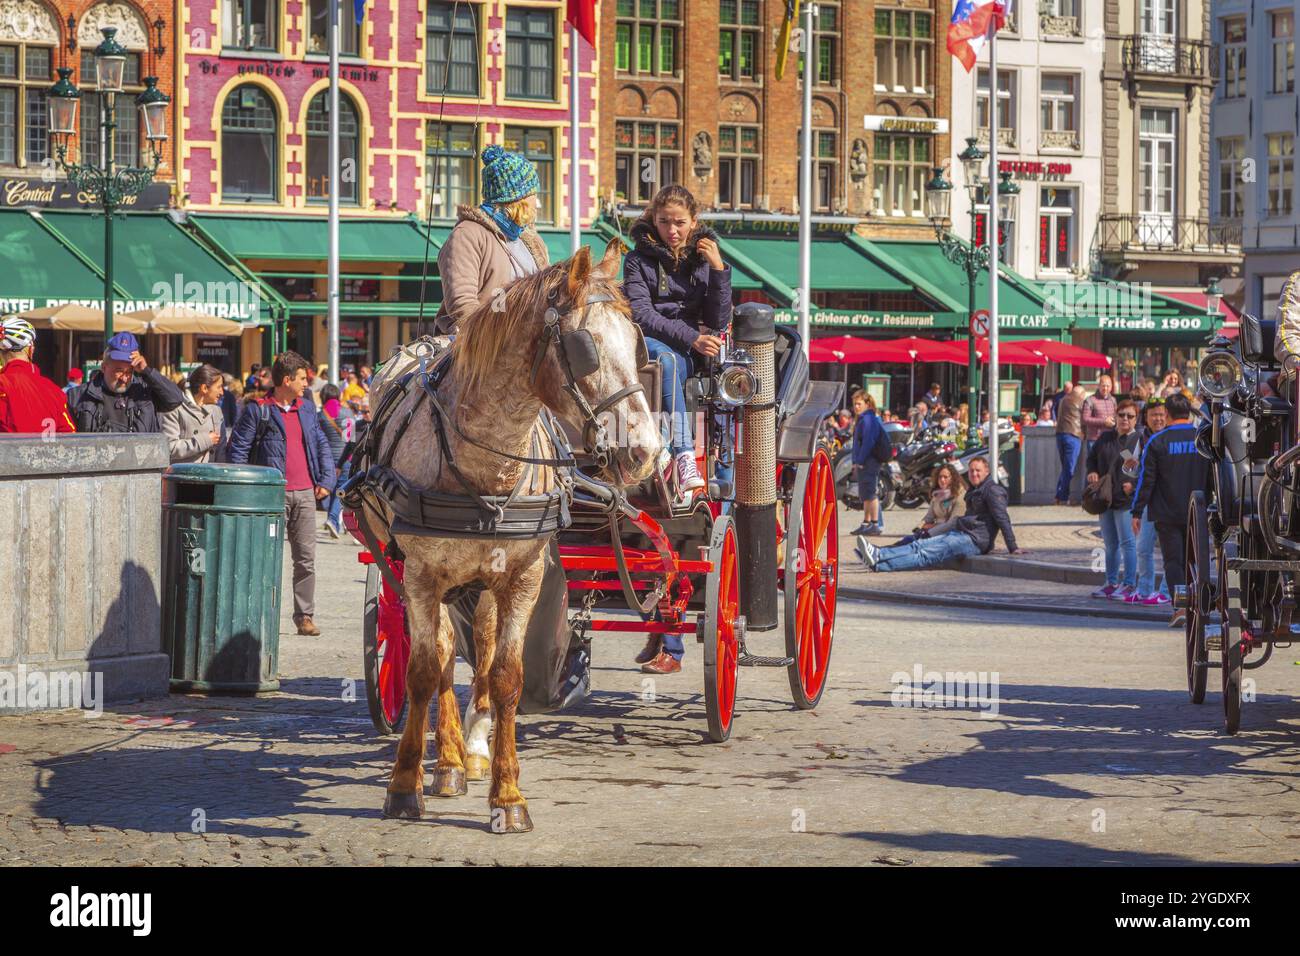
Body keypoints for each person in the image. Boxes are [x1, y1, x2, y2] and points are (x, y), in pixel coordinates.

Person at [622, 182, 732, 504]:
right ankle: (683, 454)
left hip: (688, 349)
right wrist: (692, 338)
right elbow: (641, 313)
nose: (672, 230)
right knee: (665, 361)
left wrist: (719, 269)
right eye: (665, 222)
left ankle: (674, 449)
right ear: (654, 220)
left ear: (693, 221)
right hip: (647, 342)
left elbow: (718, 319)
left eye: (680, 222)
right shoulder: (637, 260)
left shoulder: (702, 260)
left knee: (673, 360)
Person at [227, 350, 337, 636]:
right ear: (286, 380)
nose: (306, 383)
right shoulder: (258, 410)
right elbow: (237, 452)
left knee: (305, 559)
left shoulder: (307, 408)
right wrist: (245, 491)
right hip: (270, 496)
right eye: (302, 378)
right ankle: (264, 613)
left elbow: (321, 442)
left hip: (304, 494)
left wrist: (326, 478)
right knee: (266, 558)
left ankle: (304, 616)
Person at [434, 143, 550, 333]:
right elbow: (462, 304)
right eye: (532, 195)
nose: (536, 203)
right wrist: (500, 338)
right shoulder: (467, 235)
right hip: (481, 345)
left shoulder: (532, 241)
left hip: (530, 344)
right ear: (515, 199)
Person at [856, 456, 1027, 571]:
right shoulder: (976, 489)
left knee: (925, 555)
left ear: (987, 472)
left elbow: (1002, 518)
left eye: (978, 471)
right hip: (962, 533)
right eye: (971, 470)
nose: (974, 474)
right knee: (919, 545)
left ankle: (879, 558)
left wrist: (1013, 547)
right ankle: (878, 559)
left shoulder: (992, 490)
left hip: (974, 540)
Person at [1129, 392, 1209, 627]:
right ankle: (1198, 602)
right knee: (1194, 561)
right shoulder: (1201, 439)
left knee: (1173, 562)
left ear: (1167, 413)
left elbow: (1147, 480)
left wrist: (1136, 511)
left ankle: (1181, 606)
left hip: (1166, 512)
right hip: (1198, 509)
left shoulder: (1157, 441)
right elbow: (1214, 477)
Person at [66, 331, 184, 433]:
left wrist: (147, 371)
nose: (124, 378)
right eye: (119, 371)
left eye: (129, 372)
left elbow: (175, 399)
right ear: (103, 367)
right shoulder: (78, 396)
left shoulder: (145, 393)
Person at [1086, 398, 1140, 601]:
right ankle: (1111, 582)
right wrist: (1091, 471)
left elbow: (1135, 466)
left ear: (1136, 419)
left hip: (1124, 499)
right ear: (1115, 416)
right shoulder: (1105, 438)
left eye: (1130, 416)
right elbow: (1091, 458)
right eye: (1121, 415)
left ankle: (1128, 584)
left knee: (1127, 542)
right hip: (1105, 497)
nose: (1125, 419)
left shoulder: (1136, 440)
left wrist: (1132, 486)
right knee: (1110, 543)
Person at [0, 316, 76, 434]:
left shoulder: (3, 384)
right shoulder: (53, 390)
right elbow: (68, 433)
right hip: (47, 451)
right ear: (30, 349)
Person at [1128, 397, 1170, 606]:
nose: (1158, 418)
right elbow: (1131, 470)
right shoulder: (1141, 439)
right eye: (1154, 415)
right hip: (1147, 501)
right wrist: (1129, 466)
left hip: (1168, 501)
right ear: (1146, 418)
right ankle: (1144, 589)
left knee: (1169, 549)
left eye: (1161, 414)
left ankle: (1166, 590)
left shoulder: (1172, 437)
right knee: (1143, 547)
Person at [160, 364, 226, 463]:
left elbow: (221, 450)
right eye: (219, 387)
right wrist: (204, 440)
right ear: (204, 388)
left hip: (211, 475)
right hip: (184, 475)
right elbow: (169, 448)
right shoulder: (175, 409)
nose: (222, 392)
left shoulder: (216, 411)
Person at [850, 390, 887, 536]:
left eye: (859, 404)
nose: (856, 407)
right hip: (866, 460)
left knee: (870, 492)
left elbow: (868, 442)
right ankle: (866, 523)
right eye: (854, 404)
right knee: (865, 493)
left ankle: (875, 524)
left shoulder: (868, 419)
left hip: (869, 461)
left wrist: (859, 461)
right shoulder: (864, 418)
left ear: (867, 404)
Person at [317, 383, 349, 538]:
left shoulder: (321, 415)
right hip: (345, 458)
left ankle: (331, 521)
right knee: (340, 490)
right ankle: (333, 519)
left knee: (331, 487)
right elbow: (351, 440)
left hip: (327, 458)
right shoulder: (347, 413)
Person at [1054, 384, 1086, 505]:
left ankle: (1058, 495)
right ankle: (1063, 497)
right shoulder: (1080, 401)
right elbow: (1085, 419)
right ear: (1082, 394)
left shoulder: (1063, 399)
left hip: (1060, 434)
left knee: (1066, 467)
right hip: (1073, 435)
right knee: (1069, 469)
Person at [1082, 374, 1117, 452]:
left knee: (1108, 463)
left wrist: (1114, 421)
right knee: (1094, 464)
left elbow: (1116, 416)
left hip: (1110, 439)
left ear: (1111, 387)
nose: (1105, 388)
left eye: (1108, 386)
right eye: (1103, 386)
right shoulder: (1090, 400)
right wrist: (1104, 421)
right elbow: (1085, 419)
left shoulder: (1113, 400)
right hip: (1094, 439)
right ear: (1099, 386)